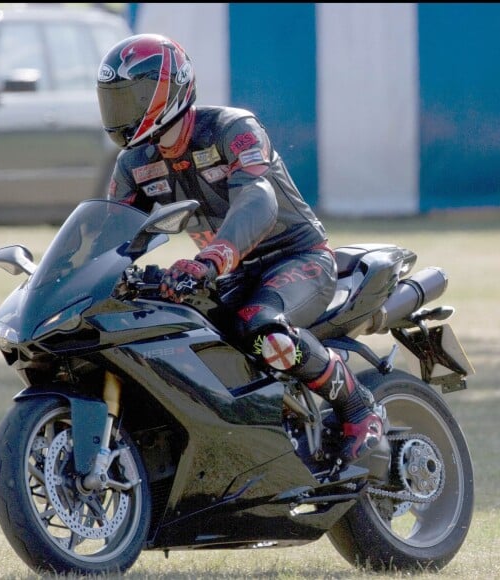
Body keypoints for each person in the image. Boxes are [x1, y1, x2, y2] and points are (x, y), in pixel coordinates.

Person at [96, 33, 383, 464]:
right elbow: (109, 231)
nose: (122, 111)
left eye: (132, 96)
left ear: (170, 90)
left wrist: (212, 258)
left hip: (296, 258)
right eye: (113, 99)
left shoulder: (233, 129)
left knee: (260, 325)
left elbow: (257, 200)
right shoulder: (134, 163)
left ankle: (359, 408)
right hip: (227, 273)